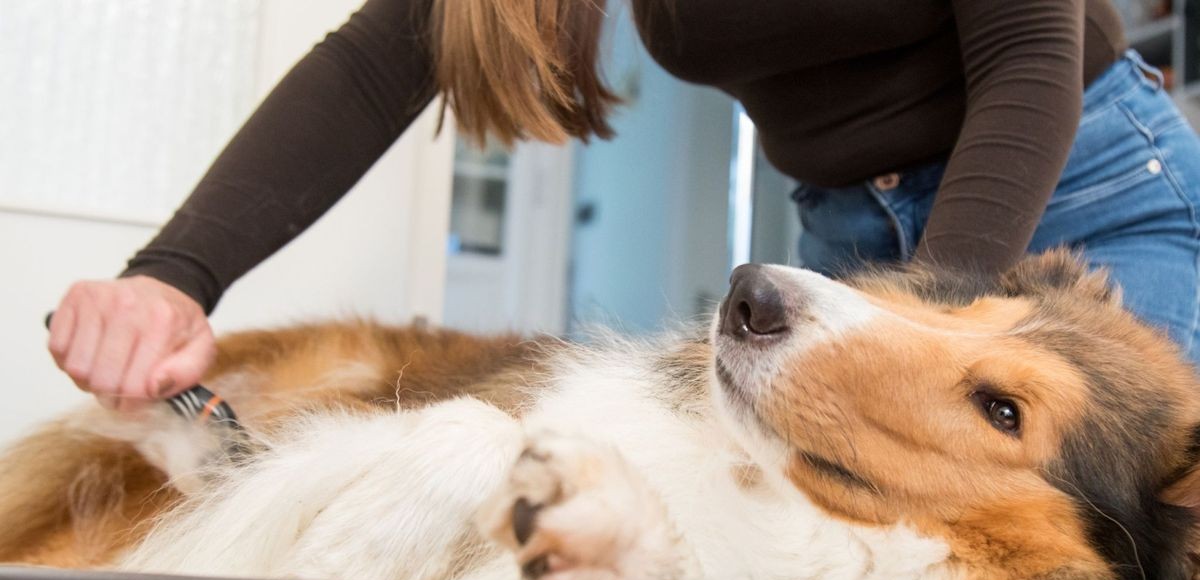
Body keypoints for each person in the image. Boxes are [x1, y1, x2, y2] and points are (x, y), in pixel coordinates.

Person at [47, 0, 1200, 411]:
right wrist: (173, 275)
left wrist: (913, 338)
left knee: (1113, 579)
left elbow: (1028, 68)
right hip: (854, 245)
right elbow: (378, 60)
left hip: (1081, 200)